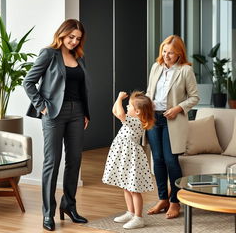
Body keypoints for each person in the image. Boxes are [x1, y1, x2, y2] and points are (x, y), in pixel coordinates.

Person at [23, 19, 90, 231]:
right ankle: (48, 213)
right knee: (52, 162)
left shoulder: (79, 57)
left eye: (77, 39)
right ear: (62, 34)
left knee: (74, 160)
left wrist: (86, 113)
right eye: (71, 37)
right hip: (53, 114)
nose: (73, 41)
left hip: (77, 113)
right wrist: (42, 106)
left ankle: (69, 205)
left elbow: (82, 88)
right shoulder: (48, 54)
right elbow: (28, 82)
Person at [146, 35, 199, 219]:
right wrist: (145, 104)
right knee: (158, 160)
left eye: (171, 53)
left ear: (179, 54)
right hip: (154, 119)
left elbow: (194, 97)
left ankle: (175, 201)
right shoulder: (156, 67)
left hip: (173, 121)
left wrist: (177, 108)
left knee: (170, 160)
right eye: (164, 51)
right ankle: (163, 199)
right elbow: (149, 92)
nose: (166, 56)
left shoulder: (185, 70)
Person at [102, 91, 155, 229]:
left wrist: (119, 98)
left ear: (137, 112)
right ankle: (130, 212)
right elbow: (115, 111)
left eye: (129, 106)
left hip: (131, 158)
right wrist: (118, 101)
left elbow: (119, 113)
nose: (126, 107)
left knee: (134, 189)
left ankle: (138, 217)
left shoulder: (135, 121)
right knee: (126, 186)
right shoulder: (131, 119)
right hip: (125, 156)